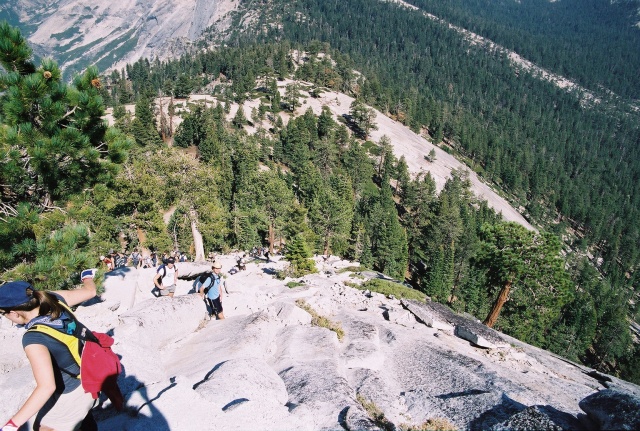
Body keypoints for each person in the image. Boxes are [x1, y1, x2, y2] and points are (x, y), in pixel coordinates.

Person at [0, 270, 98, 431]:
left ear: (14, 313)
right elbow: (91, 291)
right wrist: (87, 277)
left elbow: (46, 387)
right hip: (91, 370)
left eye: (3, 314)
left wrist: (11, 425)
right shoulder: (54, 298)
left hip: (75, 388)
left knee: (42, 427)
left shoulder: (34, 338)